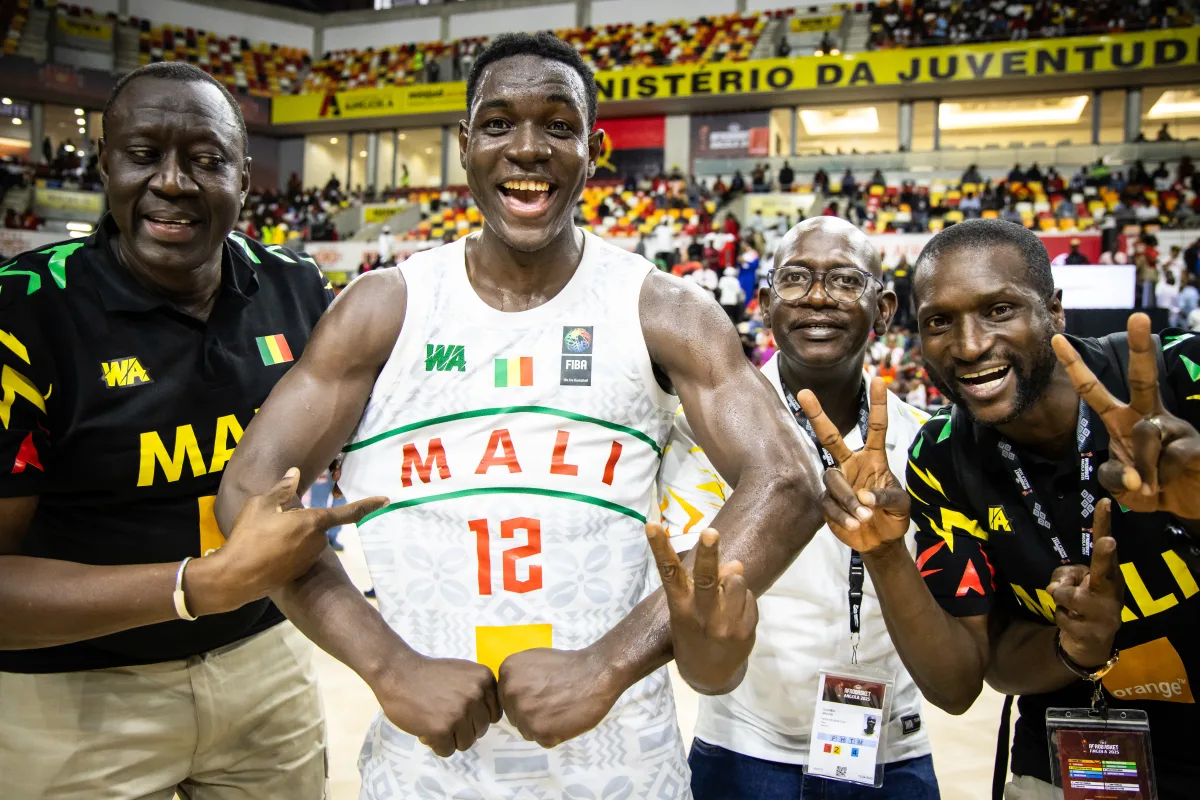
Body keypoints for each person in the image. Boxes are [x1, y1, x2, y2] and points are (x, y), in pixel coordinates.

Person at [214, 32, 826, 798]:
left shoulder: (664, 309)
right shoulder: (384, 307)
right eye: (499, 124)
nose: (528, 148)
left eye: (559, 126)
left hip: (619, 770)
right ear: (464, 144)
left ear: (594, 150)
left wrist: (610, 663)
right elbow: (248, 492)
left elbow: (788, 481)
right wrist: (386, 663)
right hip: (427, 772)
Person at [0, 62, 385, 799]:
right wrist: (197, 585)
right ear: (105, 162)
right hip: (74, 690)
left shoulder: (296, 286)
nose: (173, 182)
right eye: (143, 154)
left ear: (244, 176)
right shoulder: (23, 314)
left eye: (206, 160)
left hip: (263, 659)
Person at [805, 218, 1200, 799]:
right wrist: (1076, 648)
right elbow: (965, 679)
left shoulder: (1182, 377)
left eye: (999, 310)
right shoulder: (941, 458)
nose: (969, 346)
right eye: (940, 321)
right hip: (1066, 765)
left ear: (1054, 311)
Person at [660, 217, 939, 799]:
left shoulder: (924, 442)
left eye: (845, 280)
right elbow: (696, 604)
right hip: (744, 748)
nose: (817, 297)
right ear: (765, 305)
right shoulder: (699, 436)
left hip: (892, 749)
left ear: (885, 309)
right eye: (794, 279)